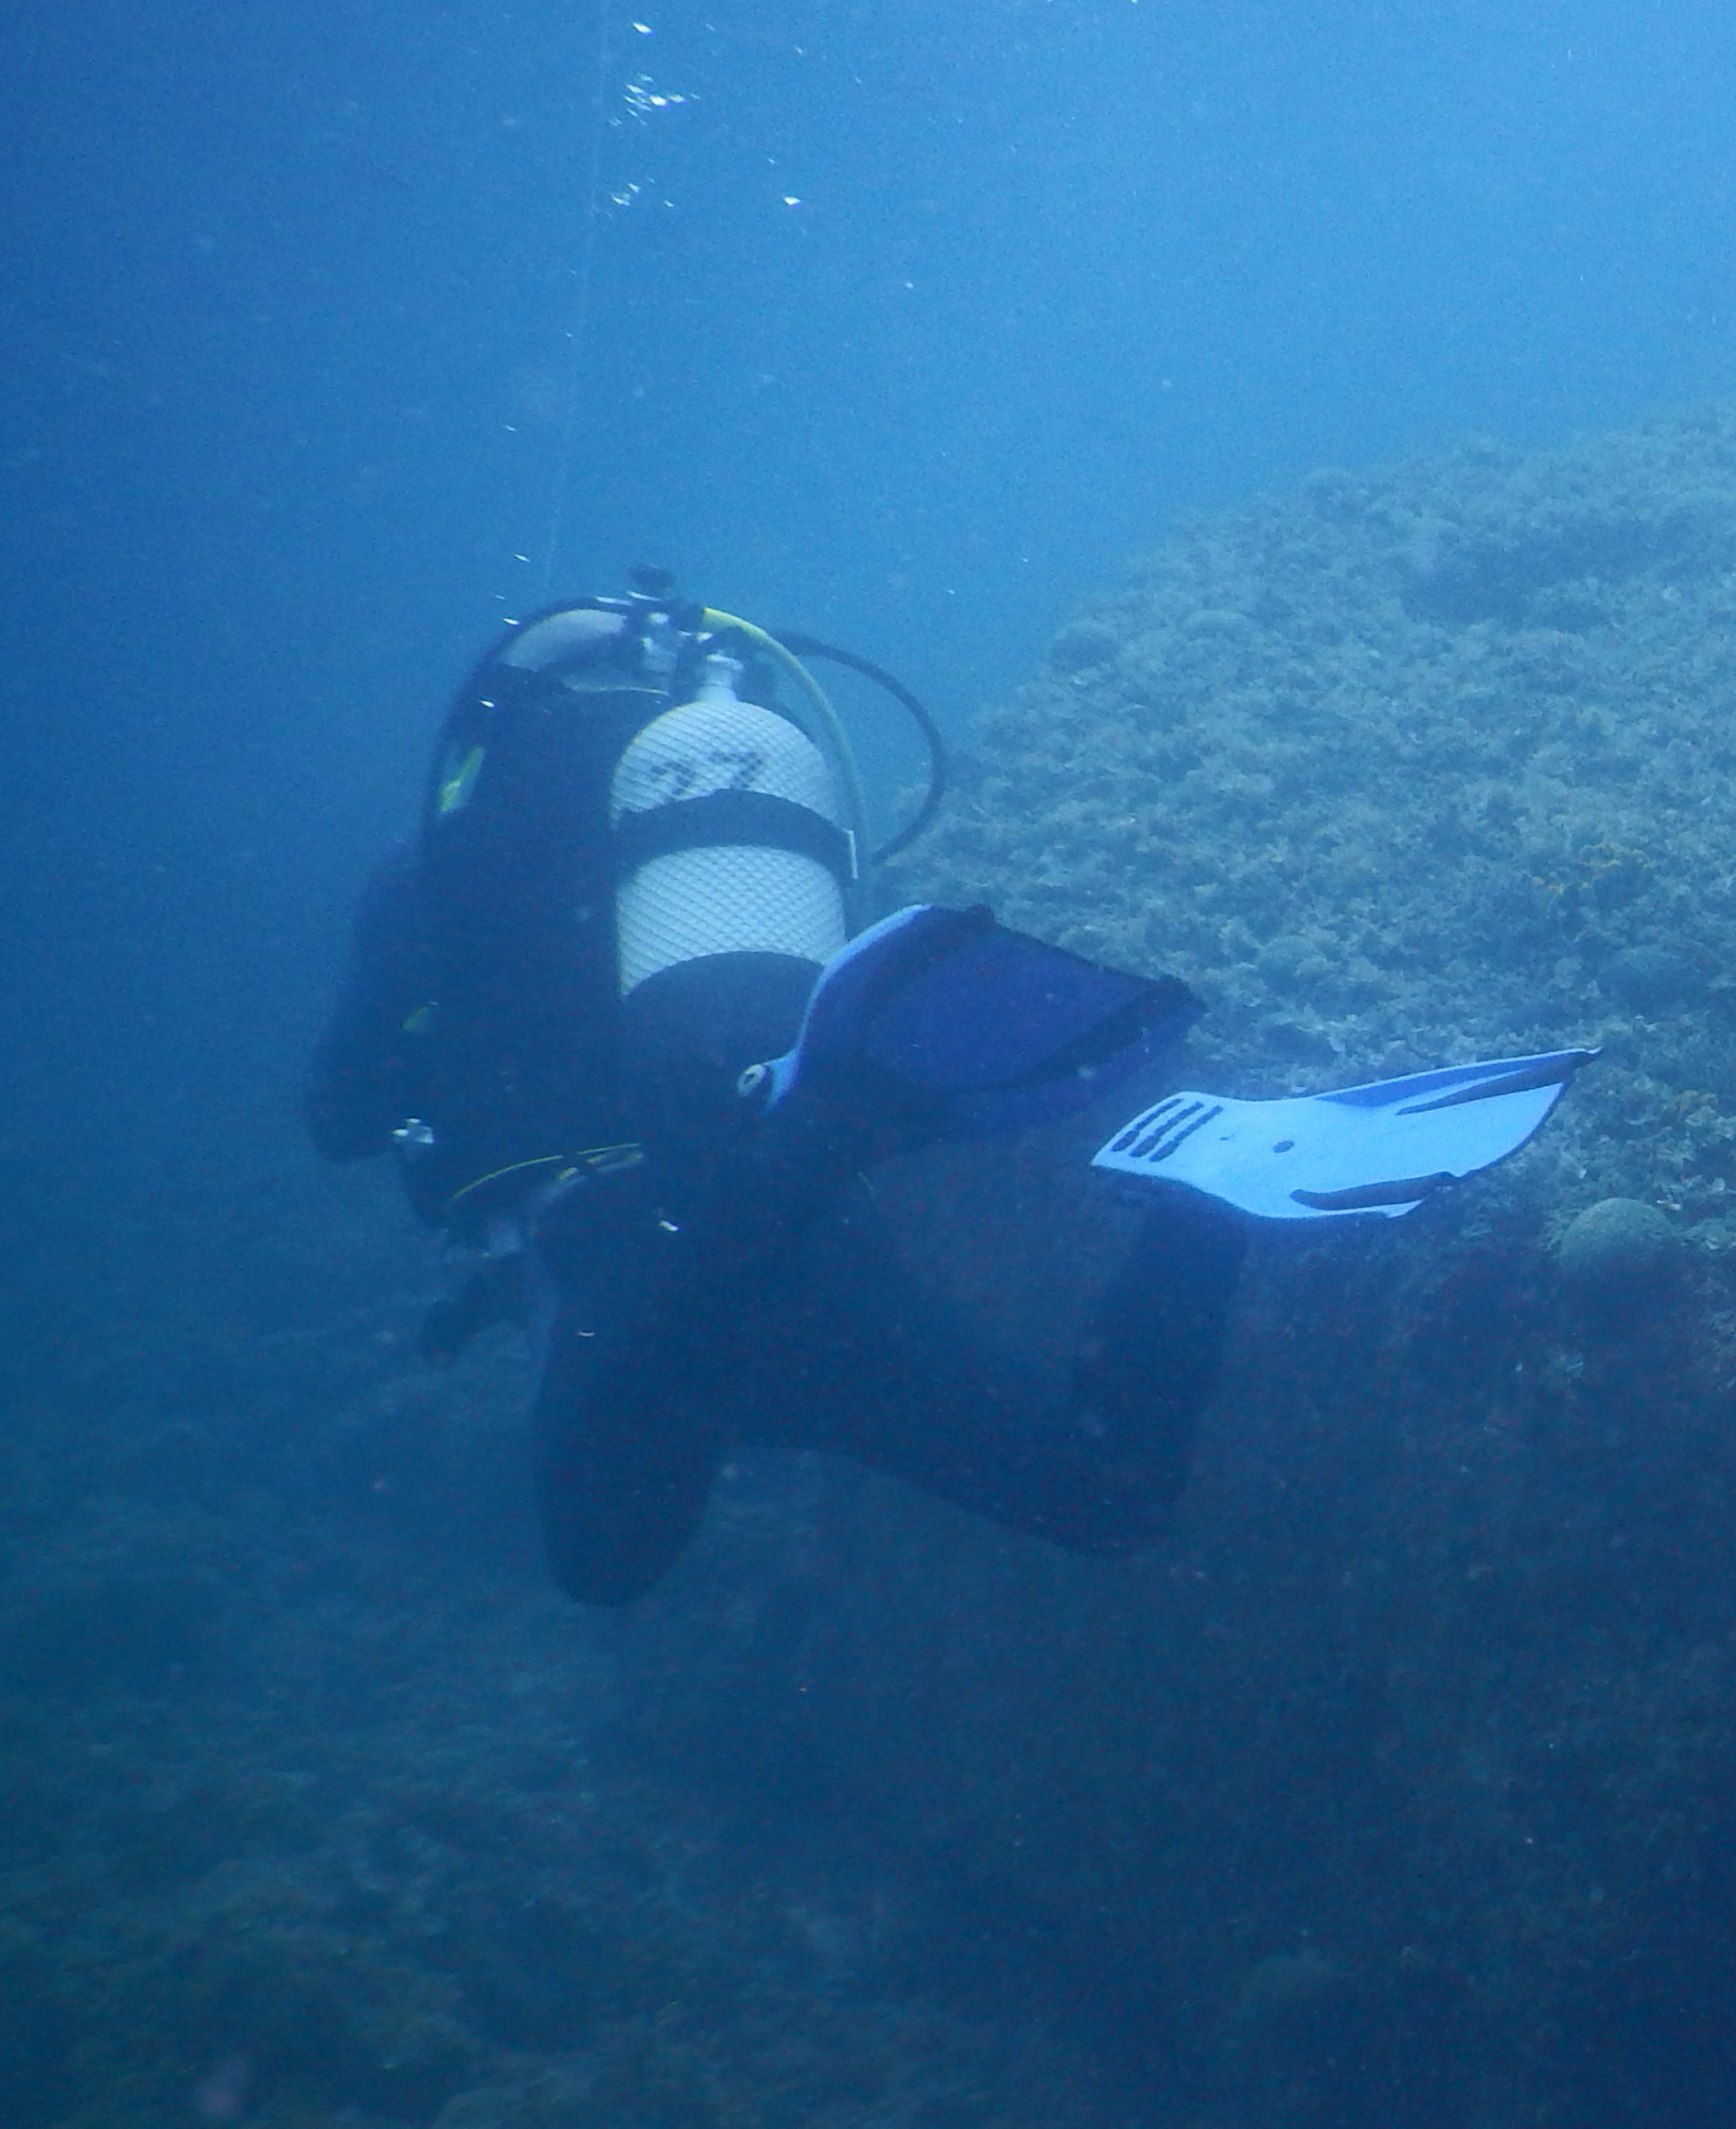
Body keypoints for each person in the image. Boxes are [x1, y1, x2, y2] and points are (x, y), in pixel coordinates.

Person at [307, 578, 1249, 1605]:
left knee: (602, 1567)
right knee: (1105, 1492)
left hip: (619, 1260)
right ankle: (1199, 1209)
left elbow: (340, 1118)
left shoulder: (432, 873)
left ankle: (795, 1173)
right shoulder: (740, 814)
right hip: (798, 1242)